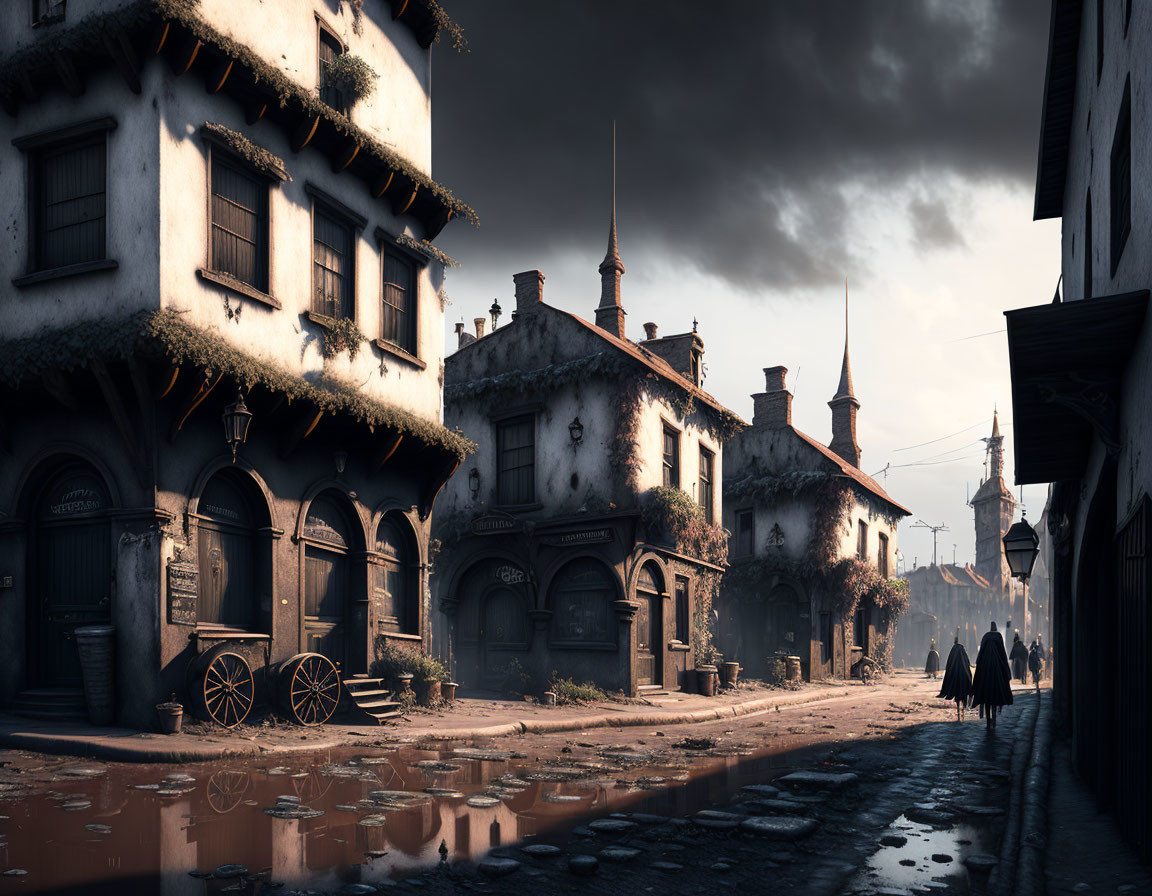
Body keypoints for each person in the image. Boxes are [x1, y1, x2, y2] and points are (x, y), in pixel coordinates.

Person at [972, 621, 1013, 730]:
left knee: (986, 698)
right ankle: (994, 718)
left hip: (985, 670)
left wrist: (978, 665)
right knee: (995, 697)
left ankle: (988, 719)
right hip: (997, 670)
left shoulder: (986, 636)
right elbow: (1002, 654)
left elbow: (980, 654)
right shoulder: (998, 636)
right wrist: (1006, 671)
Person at [937, 628, 972, 721]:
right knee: (963, 694)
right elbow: (967, 663)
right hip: (963, 677)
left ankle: (959, 712)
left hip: (956, 677)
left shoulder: (953, 650)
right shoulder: (962, 650)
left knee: (957, 696)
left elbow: (949, 665)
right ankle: (963, 712)